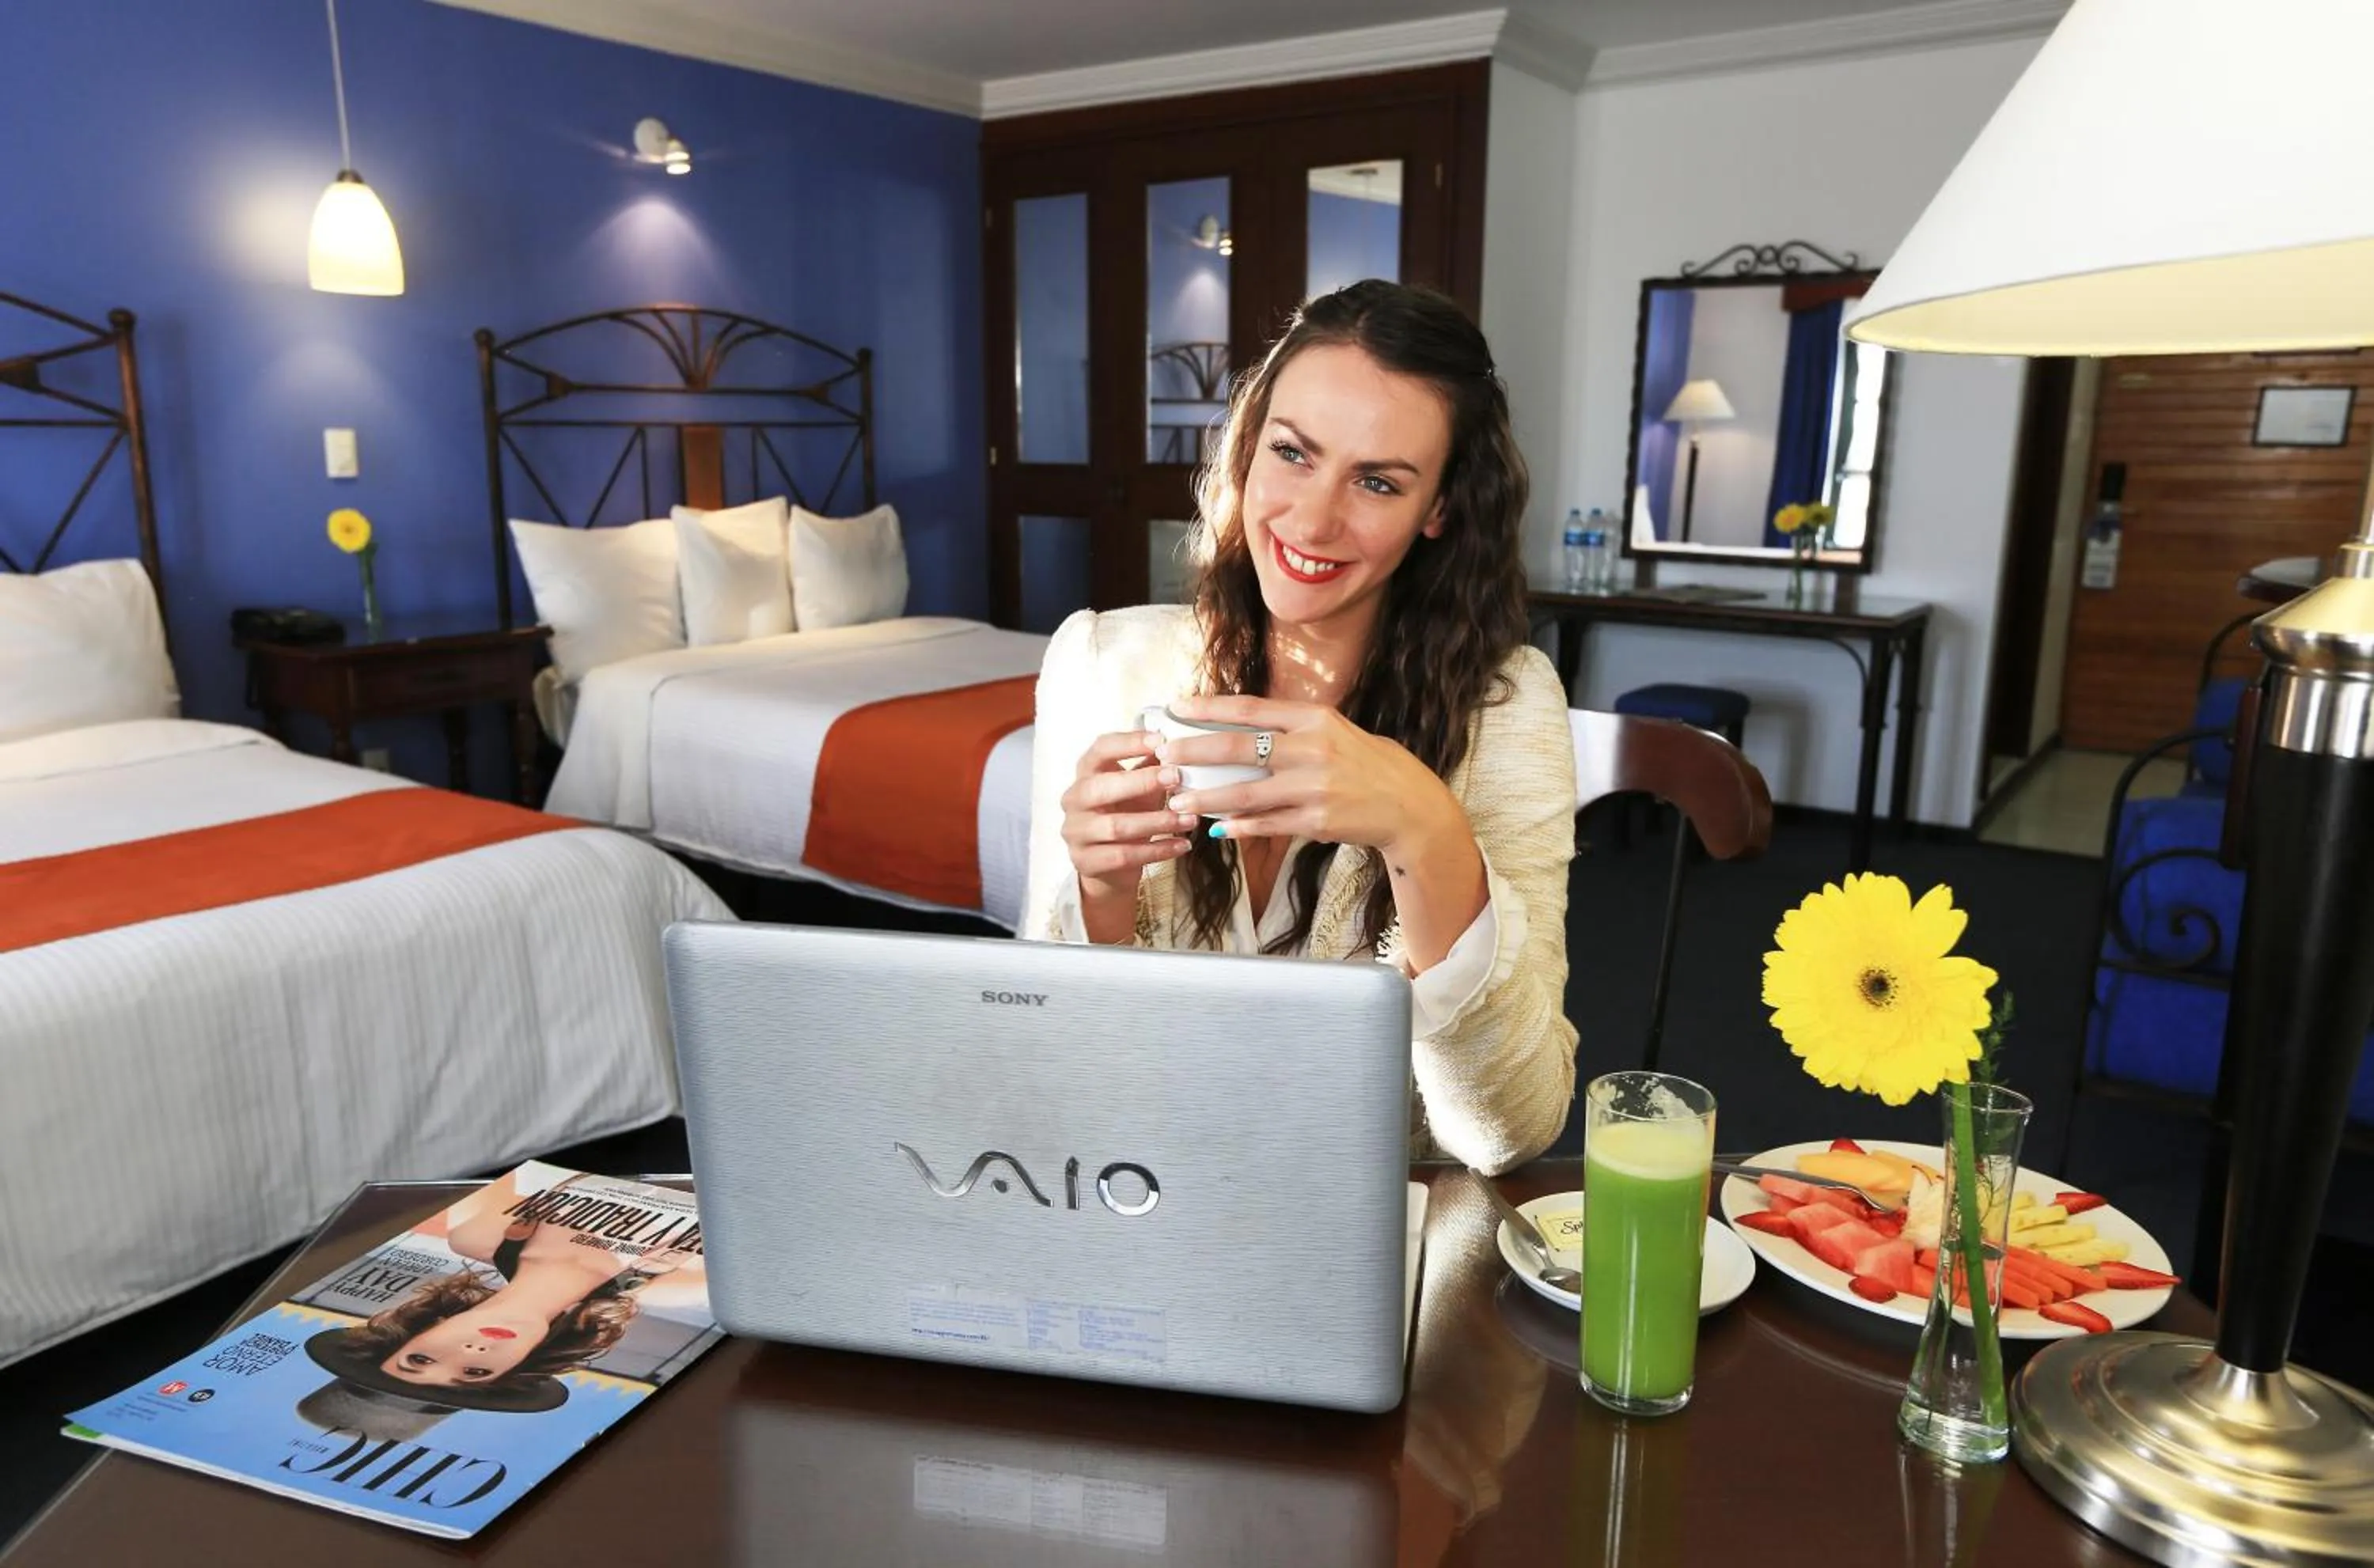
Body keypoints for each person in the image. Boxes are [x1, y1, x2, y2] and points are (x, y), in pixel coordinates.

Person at [1023, 279, 1577, 1174]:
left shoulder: (1505, 712)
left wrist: (1424, 826)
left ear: (1438, 508)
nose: (1313, 519)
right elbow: (1055, 1075)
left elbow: (1505, 1134)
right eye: (1292, 452)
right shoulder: (1099, 663)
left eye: (1377, 481)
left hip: (1366, 1235)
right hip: (1142, 1190)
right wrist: (1100, 899)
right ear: (1248, 449)